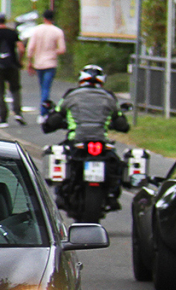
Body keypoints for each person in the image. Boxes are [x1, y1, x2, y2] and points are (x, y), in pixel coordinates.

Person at [43, 65, 131, 209]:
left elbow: (54, 118)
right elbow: (122, 124)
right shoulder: (109, 97)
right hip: (101, 142)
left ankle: (60, 192)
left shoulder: (71, 95)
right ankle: (112, 194)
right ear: (102, 81)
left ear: (80, 80)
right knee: (116, 165)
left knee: (62, 158)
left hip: (76, 141)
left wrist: (50, 123)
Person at [26, 9, 66, 118]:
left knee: (42, 87)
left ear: (44, 18)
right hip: (50, 62)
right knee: (46, 88)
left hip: (38, 63)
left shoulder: (36, 30)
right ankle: (43, 113)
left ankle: (43, 110)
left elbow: (30, 48)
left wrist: (30, 62)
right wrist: (53, 51)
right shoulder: (57, 31)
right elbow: (62, 49)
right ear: (53, 19)